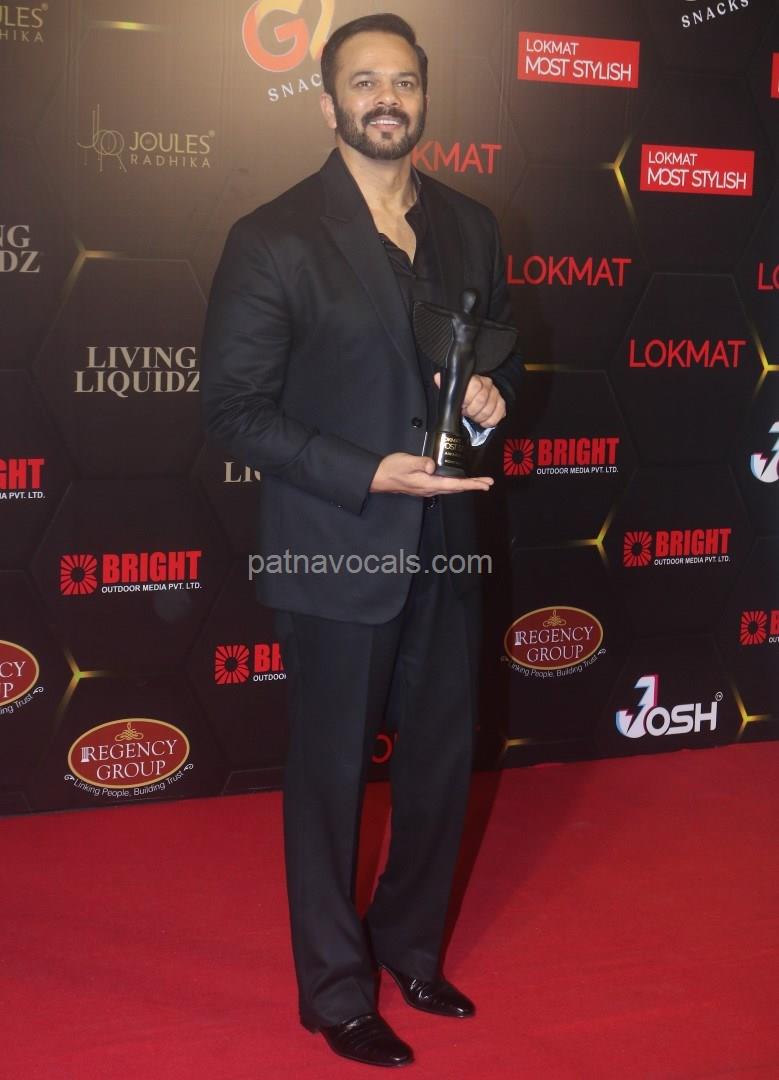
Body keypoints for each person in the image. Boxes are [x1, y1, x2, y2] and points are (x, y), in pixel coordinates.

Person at [201, 13, 523, 1068]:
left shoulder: (471, 224)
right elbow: (233, 412)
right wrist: (365, 471)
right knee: (331, 780)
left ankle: (411, 950)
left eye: (403, 82)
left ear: (424, 95)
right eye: (363, 82)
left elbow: (498, 360)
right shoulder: (273, 235)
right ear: (328, 101)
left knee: (438, 769)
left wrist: (488, 400)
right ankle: (336, 992)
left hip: (449, 543)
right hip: (335, 543)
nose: (386, 98)